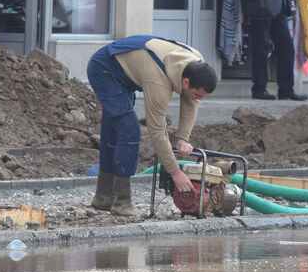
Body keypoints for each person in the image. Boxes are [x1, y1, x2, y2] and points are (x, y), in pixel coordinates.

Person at [86, 35, 217, 217]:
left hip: (125, 73)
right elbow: (157, 132)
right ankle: (121, 203)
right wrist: (175, 172)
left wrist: (182, 138)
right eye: (198, 94)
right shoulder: (158, 82)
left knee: (114, 131)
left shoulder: (196, 62)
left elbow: (192, 101)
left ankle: (103, 197)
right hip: (104, 70)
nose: (199, 99)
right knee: (129, 131)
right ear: (186, 82)